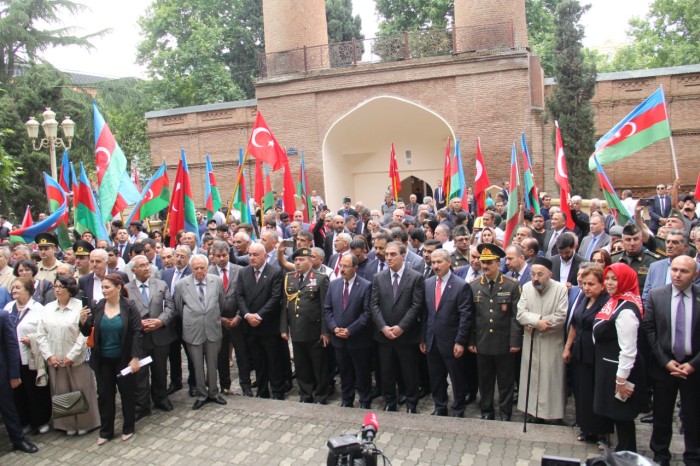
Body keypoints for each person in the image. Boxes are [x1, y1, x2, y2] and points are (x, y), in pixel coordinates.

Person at [643, 255, 700, 465]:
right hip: (664, 366)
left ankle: (693, 455)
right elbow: (649, 330)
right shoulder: (657, 295)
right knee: (661, 415)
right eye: (674, 269)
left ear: (695, 275)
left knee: (693, 416)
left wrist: (693, 364)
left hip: (693, 367)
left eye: (683, 271)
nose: (677, 274)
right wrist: (665, 361)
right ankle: (660, 455)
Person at [79, 274, 143, 445]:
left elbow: (137, 332)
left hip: (124, 360)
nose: (103, 291)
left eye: (107, 287)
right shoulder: (99, 306)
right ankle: (106, 431)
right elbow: (88, 332)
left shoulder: (129, 306)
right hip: (103, 360)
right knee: (105, 395)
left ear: (118, 288)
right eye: (102, 288)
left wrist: (135, 357)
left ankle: (128, 427)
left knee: (127, 393)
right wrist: (83, 321)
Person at [592, 263, 648, 452]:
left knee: (622, 416)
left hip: (620, 370)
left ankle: (626, 454)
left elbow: (629, 349)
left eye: (614, 279)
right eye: (607, 278)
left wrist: (621, 379)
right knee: (617, 415)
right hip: (609, 366)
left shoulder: (626, 310)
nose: (609, 282)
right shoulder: (615, 300)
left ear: (625, 280)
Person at [37, 274, 100, 436]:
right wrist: (49, 355)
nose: (57, 290)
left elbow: (84, 334)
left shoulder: (81, 306)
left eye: (61, 287)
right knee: (62, 391)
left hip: (77, 359)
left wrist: (72, 355)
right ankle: (67, 424)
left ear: (70, 289)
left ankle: (86, 423)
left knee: (82, 390)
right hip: (56, 360)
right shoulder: (47, 308)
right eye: (55, 286)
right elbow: (41, 335)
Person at [468, 244, 521, 421]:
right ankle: (487, 410)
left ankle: (505, 413)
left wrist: (515, 342)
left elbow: (515, 316)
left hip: (504, 343)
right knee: (485, 381)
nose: (485, 266)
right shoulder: (474, 286)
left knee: (506, 381)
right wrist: (471, 341)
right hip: (483, 342)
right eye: (483, 262)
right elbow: (471, 317)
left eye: (489, 262)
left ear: (498, 263)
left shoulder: (511, 285)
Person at [370, 241, 425, 413]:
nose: (388, 257)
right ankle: (390, 402)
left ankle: (411, 403)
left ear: (403, 256)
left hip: (406, 335)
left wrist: (401, 327)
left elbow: (416, 306)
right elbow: (374, 305)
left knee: (409, 372)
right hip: (384, 336)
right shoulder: (379, 277)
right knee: (387, 372)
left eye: (393, 254)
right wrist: (383, 327)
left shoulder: (415, 277)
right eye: (387, 254)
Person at [562, 266, 612, 443]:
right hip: (580, 352)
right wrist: (568, 347)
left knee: (597, 393)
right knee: (582, 392)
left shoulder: (607, 302)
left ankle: (602, 433)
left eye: (591, 284)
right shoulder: (584, 297)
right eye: (584, 284)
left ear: (602, 284)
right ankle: (586, 427)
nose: (586, 287)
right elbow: (575, 324)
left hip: (598, 354)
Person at [420, 249, 472, 417]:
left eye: (439, 262)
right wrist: (423, 338)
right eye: (433, 262)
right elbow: (425, 314)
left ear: (449, 262)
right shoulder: (427, 284)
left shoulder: (460, 285)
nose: (435, 266)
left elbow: (465, 316)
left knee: (456, 377)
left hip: (451, 341)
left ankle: (458, 407)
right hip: (432, 339)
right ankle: (440, 405)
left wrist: (460, 341)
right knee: (436, 376)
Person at [517, 257, 568, 423]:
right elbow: (520, 313)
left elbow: (561, 316)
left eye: (540, 274)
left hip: (551, 341)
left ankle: (552, 415)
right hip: (531, 341)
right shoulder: (526, 287)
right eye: (533, 274)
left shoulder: (560, 289)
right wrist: (536, 321)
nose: (536, 278)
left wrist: (537, 323)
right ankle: (532, 412)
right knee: (531, 377)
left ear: (549, 275)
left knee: (550, 379)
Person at [125, 255, 176, 419]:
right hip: (139, 338)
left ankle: (161, 398)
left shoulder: (161, 284)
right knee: (140, 373)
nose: (146, 268)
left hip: (159, 335)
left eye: (147, 264)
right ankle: (142, 404)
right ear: (133, 270)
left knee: (160, 369)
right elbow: (124, 312)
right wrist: (138, 324)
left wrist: (160, 321)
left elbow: (170, 306)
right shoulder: (126, 289)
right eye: (141, 266)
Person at [173, 254, 226, 410]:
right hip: (193, 330)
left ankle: (214, 393)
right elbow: (179, 307)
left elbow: (220, 303)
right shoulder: (181, 284)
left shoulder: (216, 281)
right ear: (191, 268)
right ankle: (201, 394)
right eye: (196, 268)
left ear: (207, 266)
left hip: (212, 328)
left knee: (212, 363)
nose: (200, 271)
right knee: (197, 365)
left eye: (202, 267)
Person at [236, 243, 286, 399]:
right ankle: (262, 390)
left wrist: (259, 316)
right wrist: (247, 315)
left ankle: (277, 391)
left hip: (268, 325)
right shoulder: (243, 272)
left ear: (264, 256)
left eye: (255, 255)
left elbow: (275, 297)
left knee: (273, 360)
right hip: (250, 326)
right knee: (258, 361)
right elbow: (240, 296)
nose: (251, 258)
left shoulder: (275, 272)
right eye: (250, 254)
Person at [281, 247, 330, 404]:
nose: (298, 263)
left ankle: (321, 394)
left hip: (314, 330)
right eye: (296, 260)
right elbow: (285, 306)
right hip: (296, 329)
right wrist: (284, 328)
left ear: (310, 261)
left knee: (319, 365)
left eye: (301, 260)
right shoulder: (290, 278)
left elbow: (325, 307)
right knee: (301, 365)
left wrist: (325, 332)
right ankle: (306, 394)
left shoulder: (320, 278)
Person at [323, 254, 373, 408]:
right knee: (344, 372)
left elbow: (367, 313)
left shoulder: (365, 286)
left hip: (357, 339)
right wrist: (333, 328)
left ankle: (364, 400)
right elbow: (327, 309)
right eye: (341, 266)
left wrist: (350, 330)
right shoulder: (334, 285)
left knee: (362, 372)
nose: (342, 269)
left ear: (355, 268)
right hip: (339, 338)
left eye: (346, 266)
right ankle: (347, 399)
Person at [5, 277, 51, 435]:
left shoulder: (38, 309)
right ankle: (24, 421)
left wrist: (31, 339)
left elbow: (45, 332)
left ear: (28, 290)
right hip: (13, 359)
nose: (14, 290)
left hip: (31, 357)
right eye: (13, 288)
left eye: (18, 287)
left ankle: (41, 420)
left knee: (35, 391)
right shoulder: (8, 307)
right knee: (18, 393)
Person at [208, 240, 250, 396]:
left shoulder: (240, 270)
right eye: (218, 256)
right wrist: (220, 319)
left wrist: (239, 316)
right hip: (218, 322)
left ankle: (245, 385)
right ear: (212, 257)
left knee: (242, 354)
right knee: (221, 356)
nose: (221, 259)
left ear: (228, 254)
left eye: (224, 255)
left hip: (238, 321)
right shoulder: (208, 273)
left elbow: (246, 296)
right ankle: (225, 385)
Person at [0, 304, 38, 453]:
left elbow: (12, 346)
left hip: (2, 375)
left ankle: (18, 440)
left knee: (9, 409)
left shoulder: (2, 316)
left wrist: (14, 374)